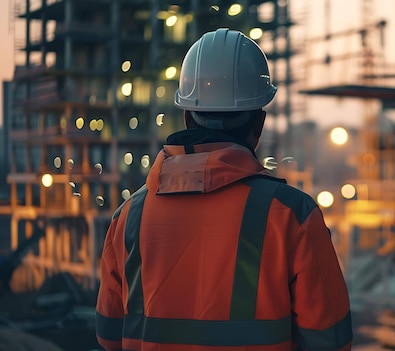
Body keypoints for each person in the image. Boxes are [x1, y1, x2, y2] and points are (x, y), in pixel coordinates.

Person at [95, 28, 352, 351]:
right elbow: (330, 342)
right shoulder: (292, 216)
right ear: (258, 125)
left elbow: (108, 334)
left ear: (187, 116)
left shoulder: (129, 217)